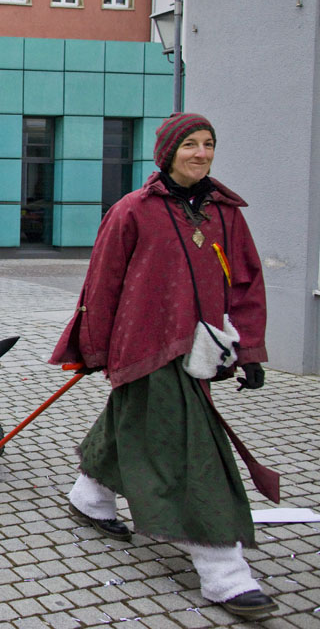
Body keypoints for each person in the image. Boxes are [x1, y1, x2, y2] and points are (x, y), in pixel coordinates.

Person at [50, 113, 276, 619]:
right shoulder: (134, 210)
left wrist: (251, 350)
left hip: (204, 350)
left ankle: (90, 496)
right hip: (144, 345)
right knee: (192, 446)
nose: (201, 153)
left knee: (133, 417)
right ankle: (223, 570)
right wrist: (94, 348)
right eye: (190, 144)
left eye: (209, 144)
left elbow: (246, 284)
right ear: (168, 153)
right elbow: (101, 285)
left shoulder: (226, 214)